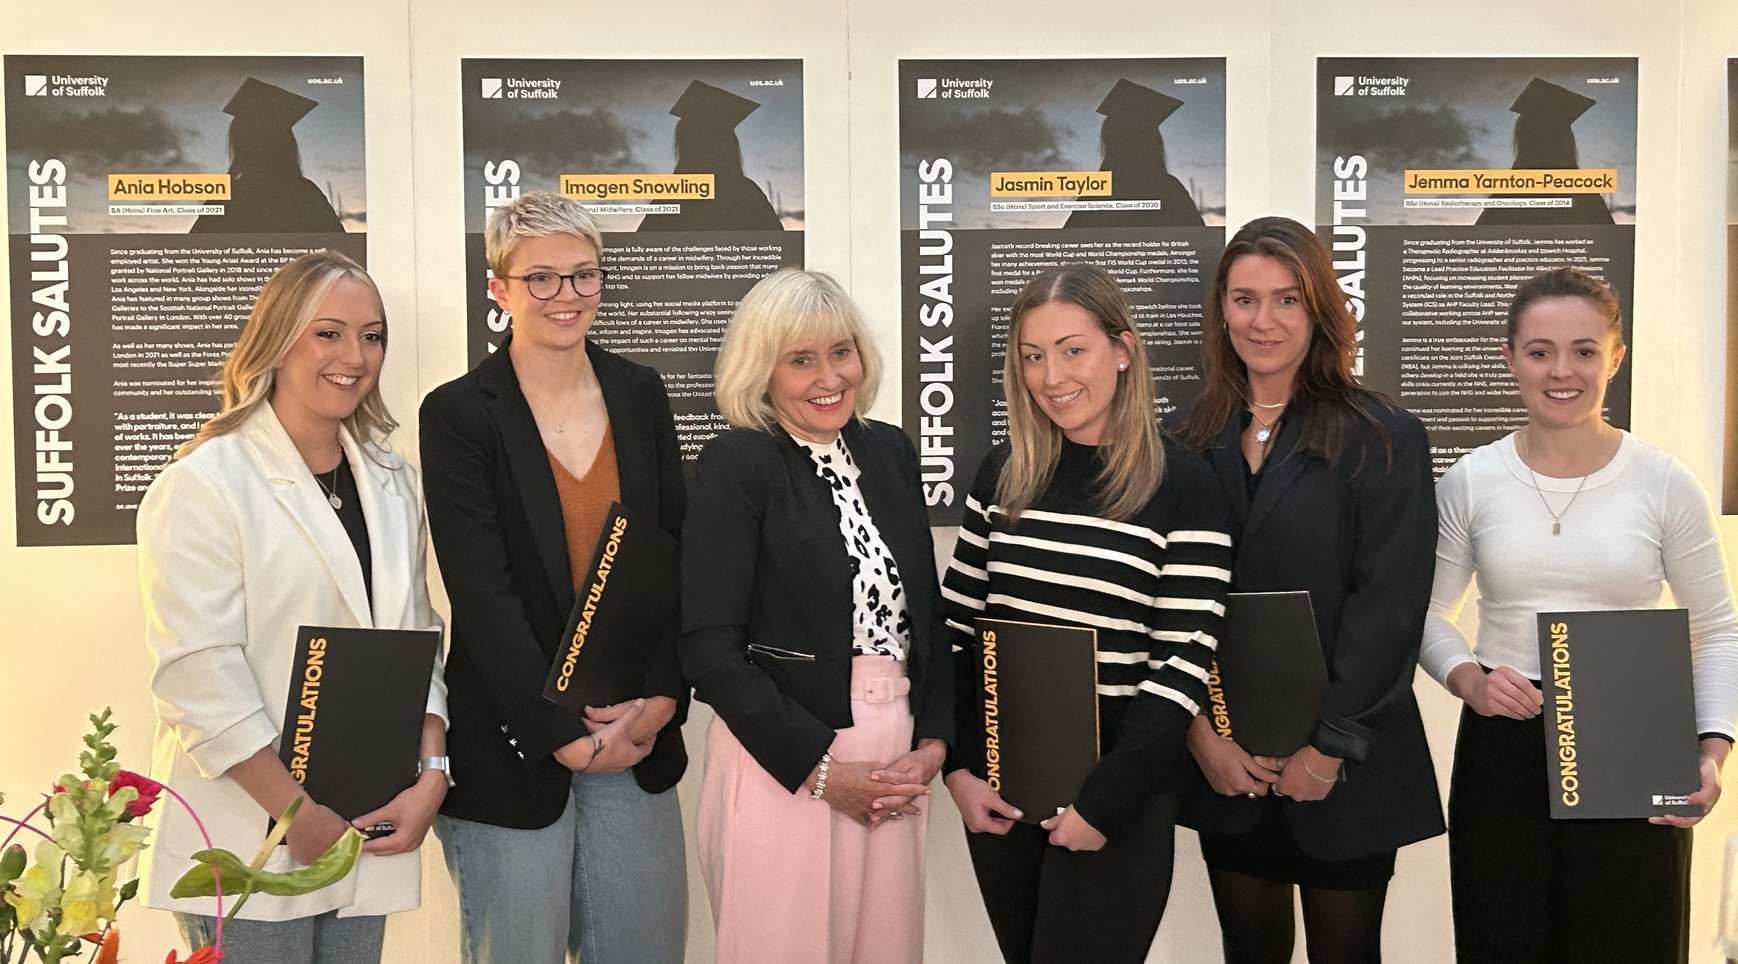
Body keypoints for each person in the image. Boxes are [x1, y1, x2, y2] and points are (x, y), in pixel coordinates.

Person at [136, 250, 448, 963]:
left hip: (370, 826)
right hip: (251, 831)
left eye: (372, 336)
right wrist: (298, 814)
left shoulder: (393, 481)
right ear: (277, 340)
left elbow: (417, 643)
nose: (355, 356)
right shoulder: (204, 484)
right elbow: (196, 678)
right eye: (328, 333)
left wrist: (433, 775)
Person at [1421, 267, 1737, 963]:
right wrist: (1467, 678)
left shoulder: (1663, 482)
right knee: (1501, 939)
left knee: (1631, 942)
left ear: (1615, 357)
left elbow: (1717, 627)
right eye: (1539, 351)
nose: (1562, 371)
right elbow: (1429, 613)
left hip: (1632, 743)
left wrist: (1711, 754)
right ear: (1510, 360)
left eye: (1584, 351)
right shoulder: (1472, 479)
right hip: (1505, 742)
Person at [420, 191, 689, 964]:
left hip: (635, 731)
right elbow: (482, 595)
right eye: (540, 278)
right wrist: (558, 732)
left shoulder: (641, 395)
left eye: (582, 276)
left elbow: (674, 555)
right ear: (499, 289)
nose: (564, 297)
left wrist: (666, 695)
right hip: (513, 743)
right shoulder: (459, 414)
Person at [939, 264, 1232, 961]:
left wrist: (1105, 803)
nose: (1052, 376)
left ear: (1122, 350)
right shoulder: (1002, 473)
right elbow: (955, 634)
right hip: (1002, 795)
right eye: (1033, 356)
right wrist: (959, 770)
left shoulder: (1183, 483)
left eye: (1073, 349)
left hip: (1118, 804)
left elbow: (1181, 665)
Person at [1178, 216, 1444, 964]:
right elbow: (1169, 605)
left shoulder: (1383, 434)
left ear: (1320, 310)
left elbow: (1389, 605)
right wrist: (1202, 736)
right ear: (1221, 310)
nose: (1263, 321)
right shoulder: (1186, 440)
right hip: (1228, 761)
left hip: (1348, 764)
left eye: (1286, 300)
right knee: (1249, 949)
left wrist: (1329, 750)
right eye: (1244, 299)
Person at [681, 268, 951, 963]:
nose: (828, 376)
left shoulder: (888, 451)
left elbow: (927, 616)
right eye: (800, 359)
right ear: (761, 371)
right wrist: (821, 772)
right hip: (785, 759)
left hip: (894, 760)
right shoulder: (737, 463)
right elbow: (709, 649)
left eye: (841, 352)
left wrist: (933, 748)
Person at [190, 77, 345, 234]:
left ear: (240, 143)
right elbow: (340, 251)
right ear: (286, 143)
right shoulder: (306, 195)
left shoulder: (225, 199)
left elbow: (193, 250)